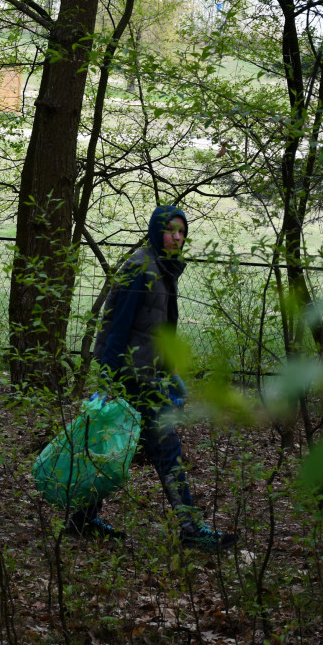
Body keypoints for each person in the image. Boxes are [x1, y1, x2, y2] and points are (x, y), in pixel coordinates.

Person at [72, 204, 235, 553]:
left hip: (147, 376)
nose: (178, 237)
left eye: (182, 231)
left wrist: (171, 371)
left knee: (113, 450)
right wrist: (110, 382)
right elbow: (116, 328)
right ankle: (190, 527)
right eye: (171, 230)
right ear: (156, 230)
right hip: (131, 378)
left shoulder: (160, 267)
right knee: (164, 451)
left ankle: (82, 517)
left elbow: (156, 330)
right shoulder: (140, 268)